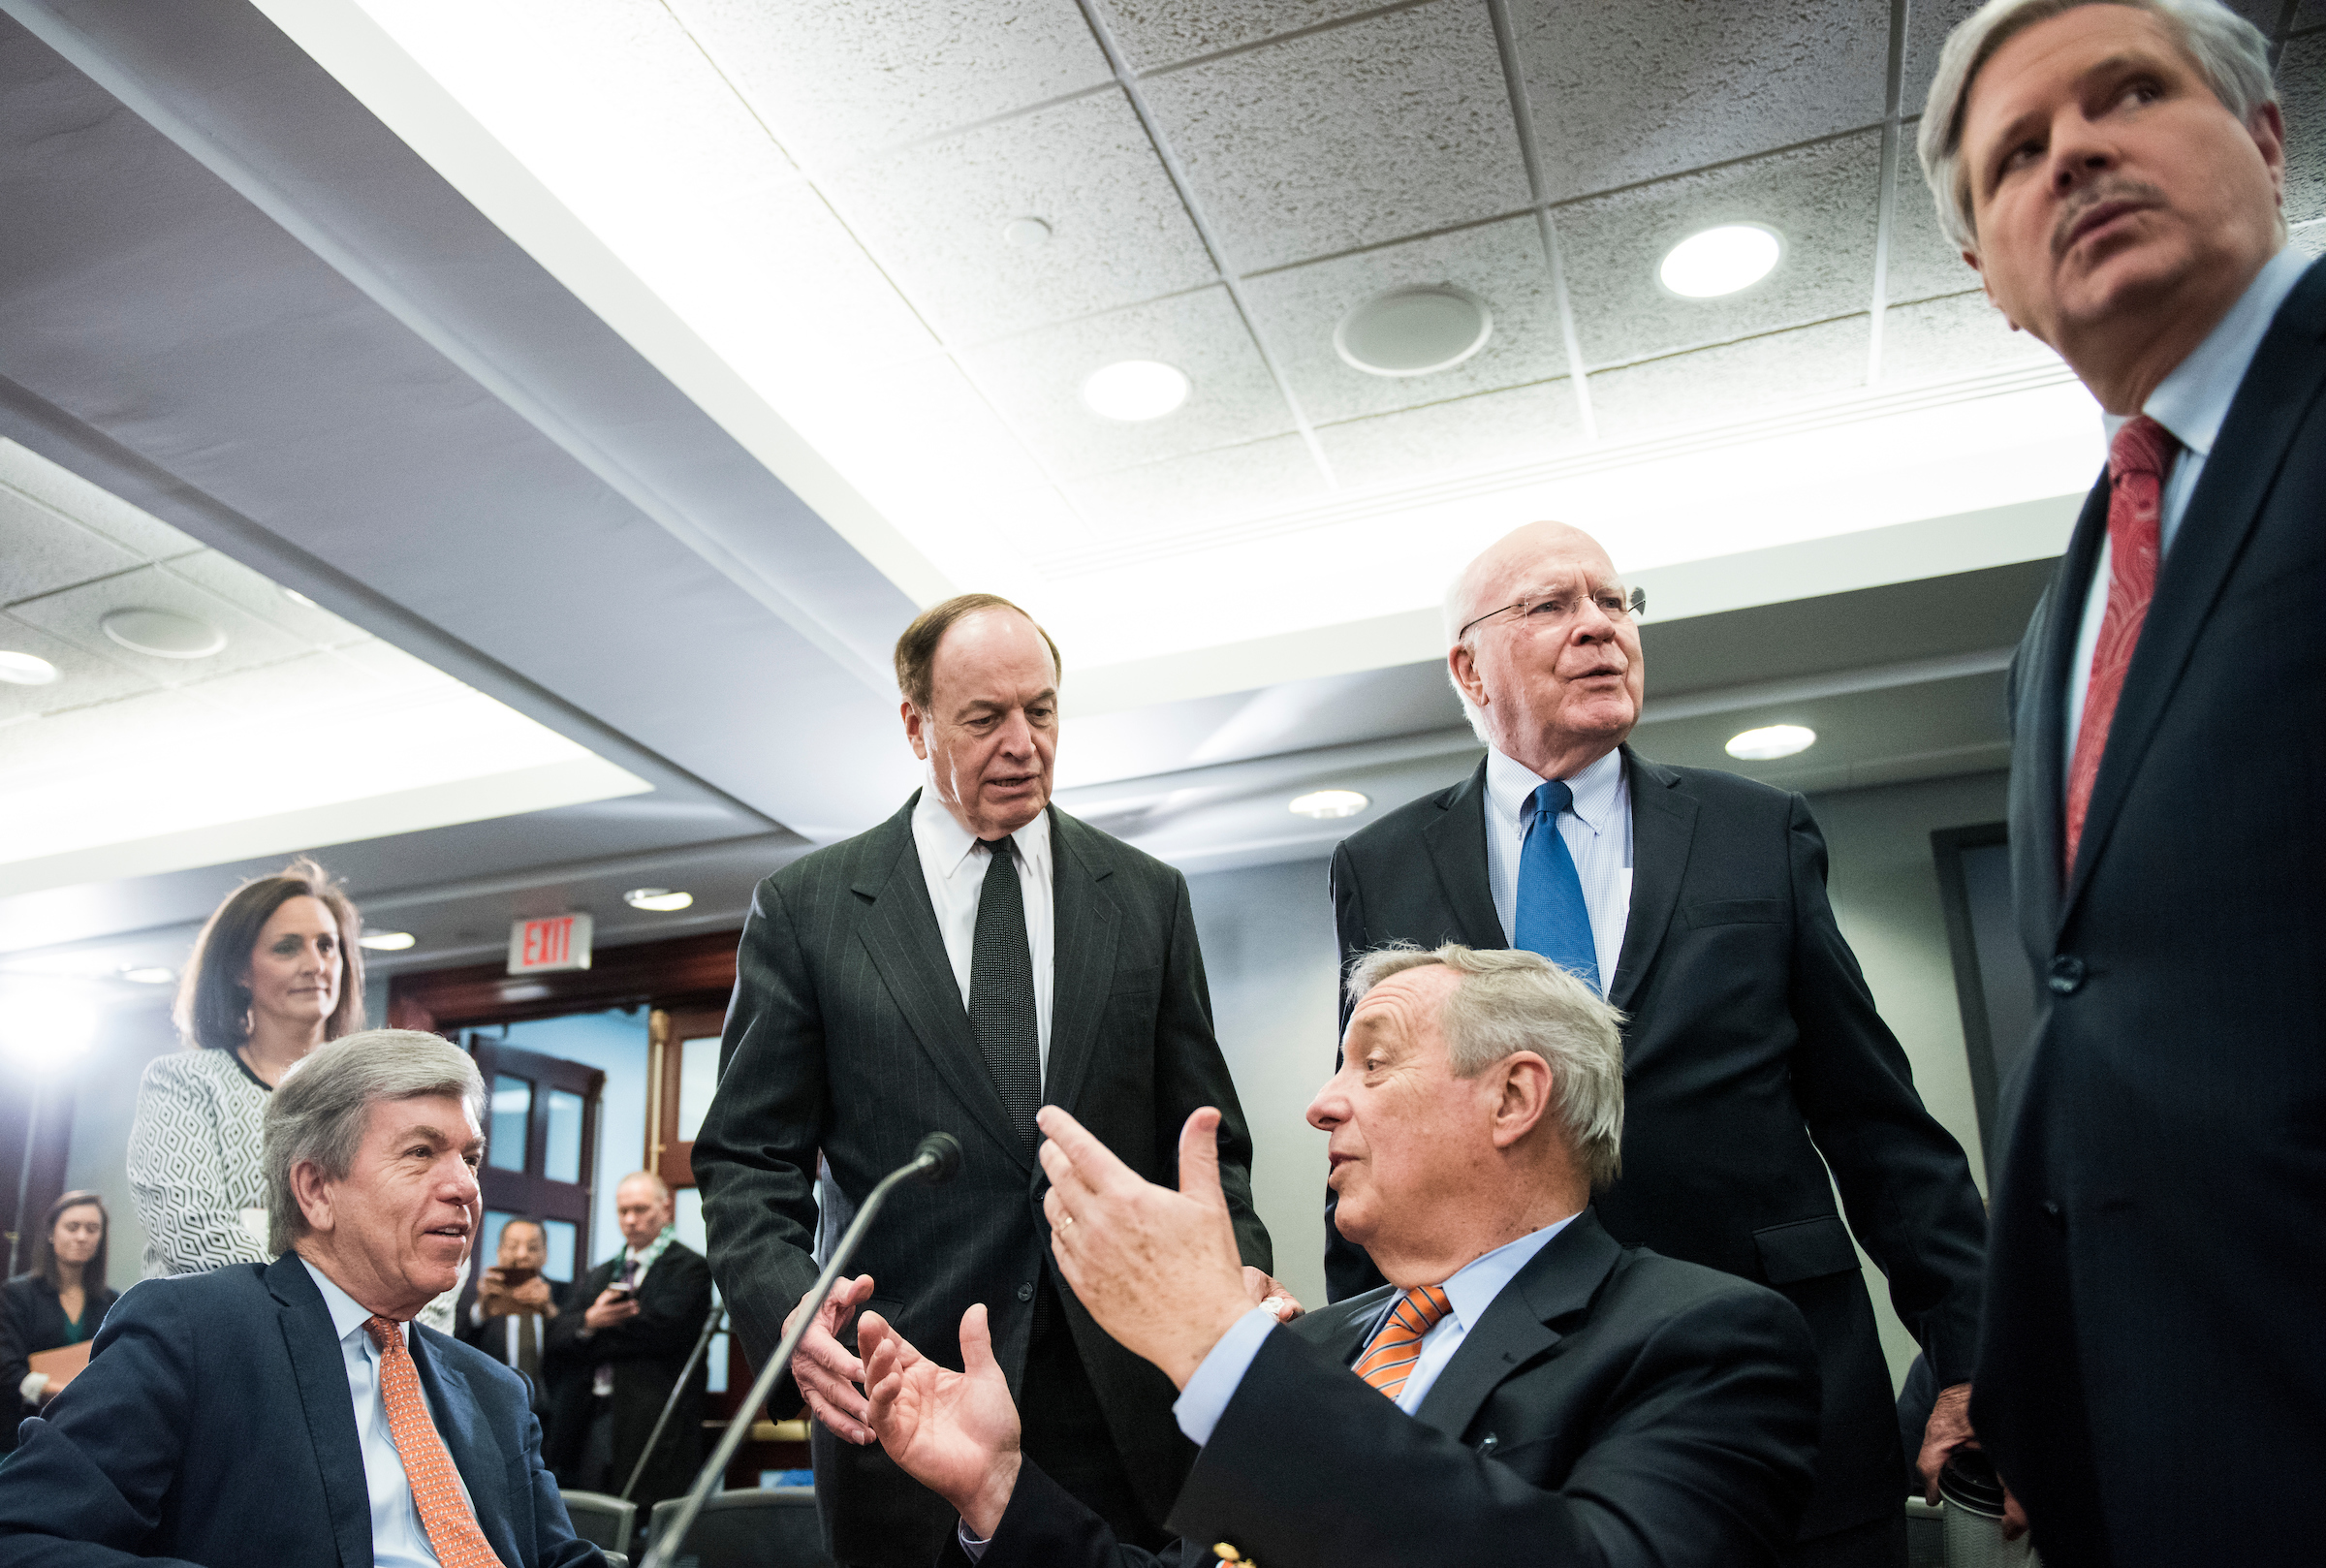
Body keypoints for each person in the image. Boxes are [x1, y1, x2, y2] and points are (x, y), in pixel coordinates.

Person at [1326, 520, 1990, 1566]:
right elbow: (1379, 1119)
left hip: (1787, 1387)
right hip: (1519, 1408)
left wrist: (1972, 1357)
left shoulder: (1753, 828)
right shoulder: (1383, 863)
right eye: (1553, 606)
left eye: (1615, 601)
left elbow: (1878, 1121)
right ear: (1467, 663)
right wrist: (1354, 1380)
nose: (1600, 627)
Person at [1915, 3, 2321, 1563]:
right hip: (2166, 1443)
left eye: (2128, 95)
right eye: (2016, 155)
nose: (2073, 151)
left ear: (2267, 135)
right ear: (1995, 282)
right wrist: (2031, 1362)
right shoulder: (2060, 624)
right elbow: (2096, 1013)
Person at [860, 944, 1825, 1568]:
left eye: (1374, 1060)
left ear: (1512, 1098)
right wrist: (995, 1486)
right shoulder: (1314, 1349)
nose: (1323, 1102)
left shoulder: (1708, 1340)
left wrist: (1216, 1348)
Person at [695, 592, 1281, 1567]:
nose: (1023, 743)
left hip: (1128, 1404)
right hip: (912, 1407)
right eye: (984, 718)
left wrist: (1236, 1276)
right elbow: (744, 1161)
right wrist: (791, 1311)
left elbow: (1208, 1143)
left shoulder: (1146, 898)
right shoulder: (811, 909)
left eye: (1041, 711)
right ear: (915, 723)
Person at [0, 1028, 602, 1566]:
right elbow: (24, 1534)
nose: (464, 1186)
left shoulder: (495, 1391)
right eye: (421, 1154)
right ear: (315, 1188)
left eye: (470, 1158)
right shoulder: (194, 1332)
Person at [543, 1173, 710, 1522]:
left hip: (655, 1418)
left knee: (646, 1519)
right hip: (592, 1414)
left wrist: (591, 1331)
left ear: (666, 1208)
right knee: (590, 1518)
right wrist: (590, 1320)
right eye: (623, 1211)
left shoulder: (689, 1267)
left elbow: (662, 1333)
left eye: (640, 1209)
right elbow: (558, 1335)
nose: (630, 1220)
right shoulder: (602, 1272)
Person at [0, 1192, 118, 1455]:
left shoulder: (114, 1302)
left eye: (92, 1229)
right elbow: (7, 1369)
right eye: (72, 1227)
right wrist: (61, 1393)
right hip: (19, 1434)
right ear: (52, 1233)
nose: (82, 1237)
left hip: (84, 1437)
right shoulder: (15, 1294)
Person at [459, 1215, 568, 1420]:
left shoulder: (563, 1294)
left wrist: (549, 1308)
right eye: (512, 1246)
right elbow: (454, 1344)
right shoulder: (476, 1296)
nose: (521, 1255)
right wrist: (482, 1310)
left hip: (550, 1414)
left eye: (533, 1247)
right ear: (499, 1251)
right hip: (491, 1410)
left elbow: (574, 1347)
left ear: (545, 1254)